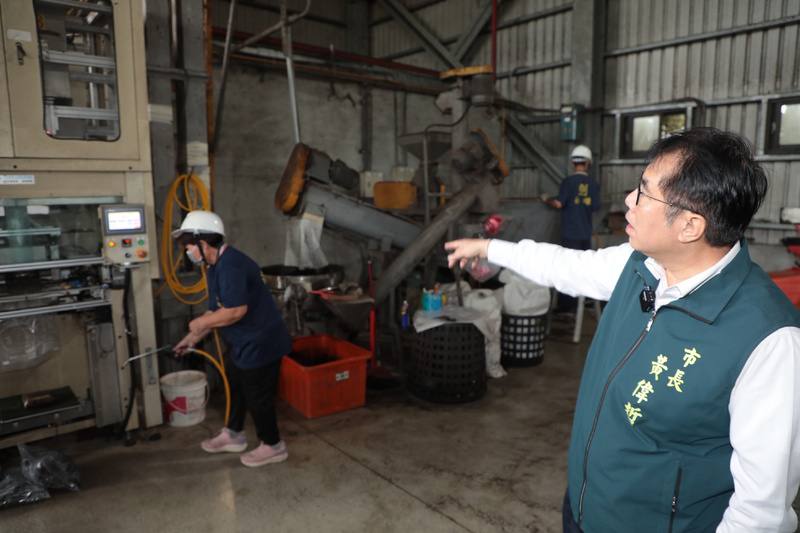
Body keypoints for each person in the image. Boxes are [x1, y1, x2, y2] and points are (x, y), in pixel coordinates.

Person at [445, 128, 800, 532]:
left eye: (645, 193)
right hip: (584, 509)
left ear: (689, 226)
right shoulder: (640, 266)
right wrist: (491, 249)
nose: (629, 201)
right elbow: (568, 266)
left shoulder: (770, 342)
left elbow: (761, 511)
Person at [173, 210, 292, 468]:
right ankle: (234, 435)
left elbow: (236, 311)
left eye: (189, 245)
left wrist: (201, 323)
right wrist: (191, 338)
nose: (188, 251)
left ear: (204, 243)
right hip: (243, 341)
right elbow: (216, 311)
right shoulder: (215, 266)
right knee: (235, 384)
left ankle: (273, 445)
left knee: (257, 396)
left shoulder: (232, 265)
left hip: (262, 342)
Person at [545, 145, 600, 312]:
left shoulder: (568, 182)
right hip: (585, 234)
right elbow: (595, 207)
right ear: (588, 162)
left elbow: (559, 203)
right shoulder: (593, 184)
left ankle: (566, 306)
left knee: (567, 269)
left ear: (573, 163)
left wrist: (547, 199)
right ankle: (580, 306)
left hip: (570, 233)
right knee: (582, 269)